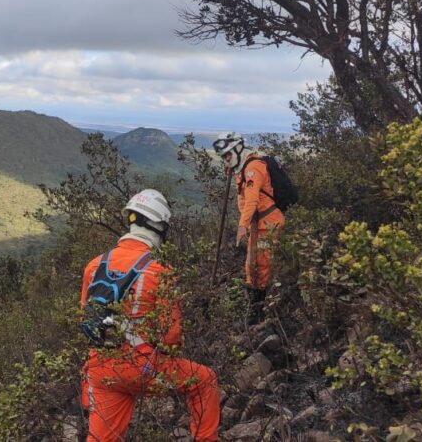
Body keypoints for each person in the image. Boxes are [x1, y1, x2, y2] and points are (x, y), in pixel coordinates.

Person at [80, 189, 220, 442]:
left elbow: (84, 315)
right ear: (158, 226)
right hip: (141, 366)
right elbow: (171, 337)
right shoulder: (159, 271)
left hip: (100, 369)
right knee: (205, 381)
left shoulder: (94, 265)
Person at [213, 133, 285, 324]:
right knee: (250, 266)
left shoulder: (254, 168)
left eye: (228, 155)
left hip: (268, 224)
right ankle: (253, 311)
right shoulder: (243, 168)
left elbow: (252, 200)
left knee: (262, 266)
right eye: (224, 157)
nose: (226, 160)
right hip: (257, 225)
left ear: (237, 149)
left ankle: (258, 314)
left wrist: (241, 227)